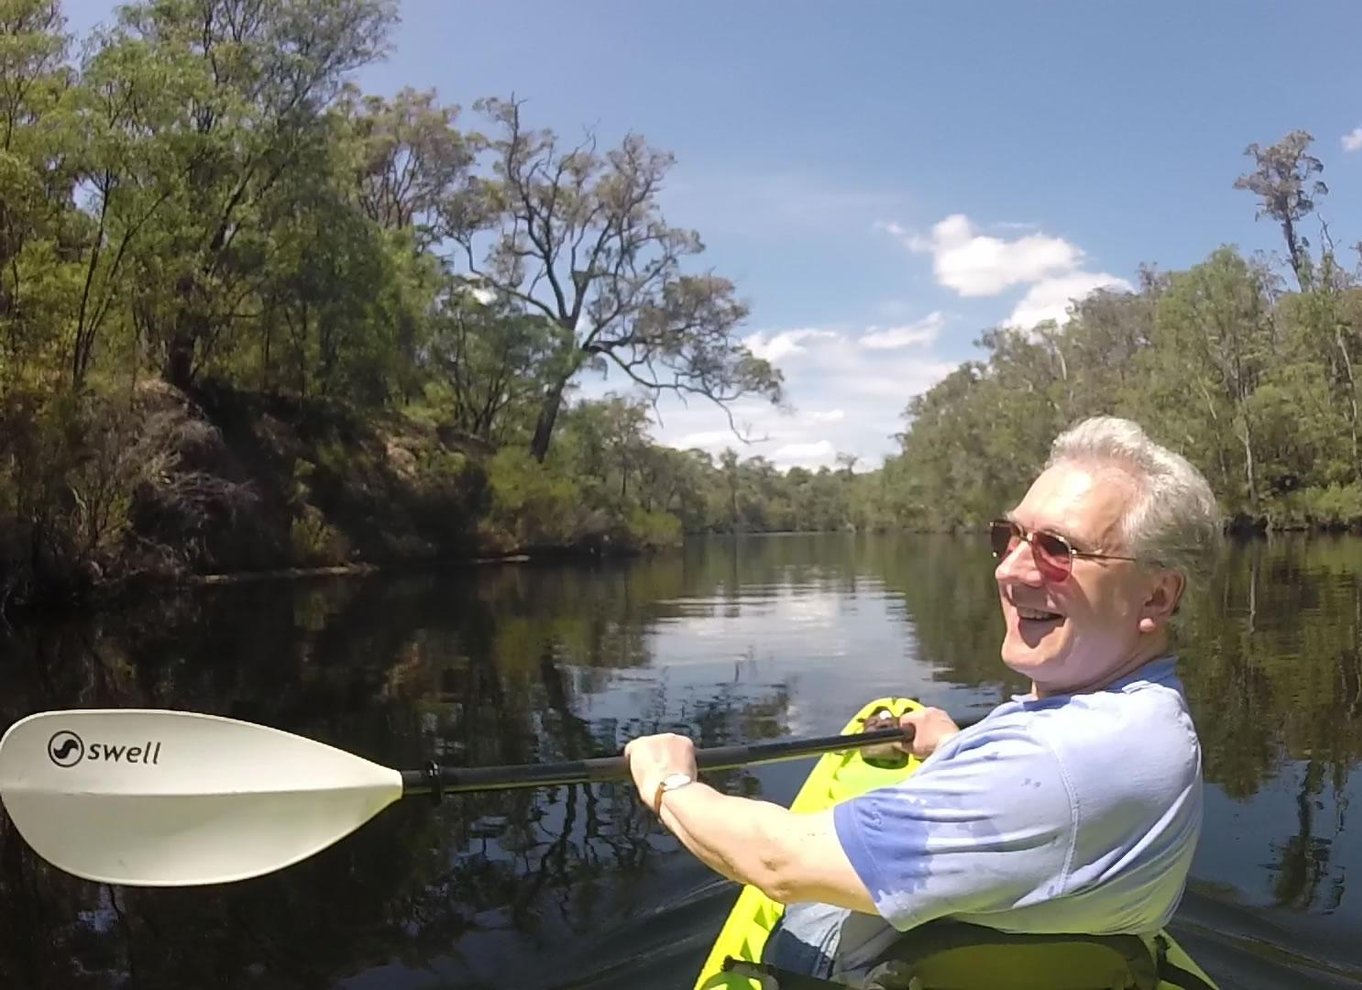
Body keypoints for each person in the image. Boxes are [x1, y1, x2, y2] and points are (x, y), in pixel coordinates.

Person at [624, 416, 1223, 984]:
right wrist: (956, 746)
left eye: (1057, 549)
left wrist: (670, 784)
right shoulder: (1151, 716)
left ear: (1156, 596)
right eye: (1009, 537)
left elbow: (780, 864)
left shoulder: (1056, 768)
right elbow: (1044, 792)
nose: (1010, 571)